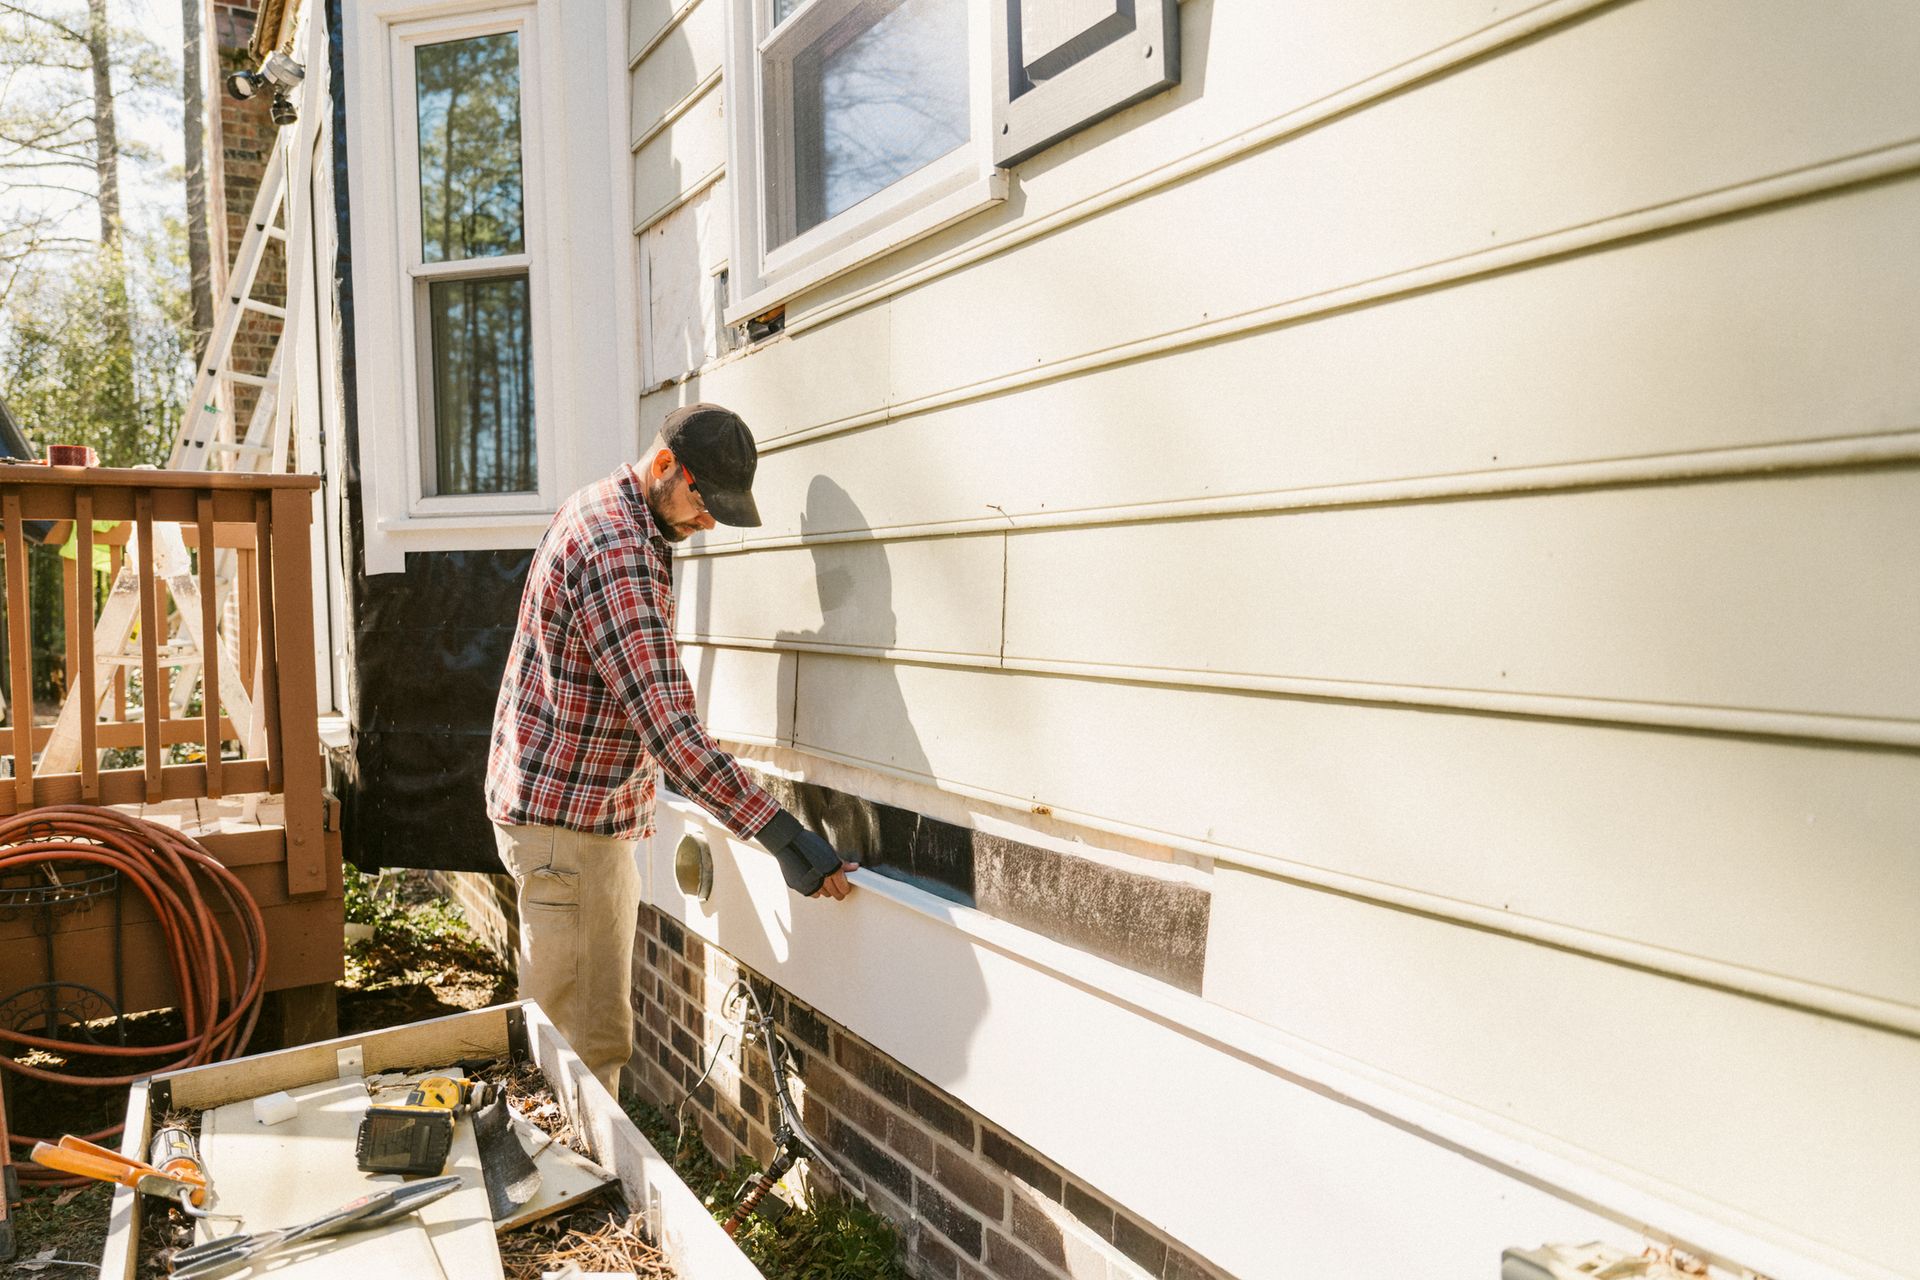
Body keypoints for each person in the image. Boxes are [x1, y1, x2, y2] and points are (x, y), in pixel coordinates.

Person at [485, 402, 855, 1093]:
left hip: (560, 817)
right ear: (663, 467)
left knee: (576, 1045)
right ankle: (570, 1192)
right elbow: (670, 730)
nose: (707, 521)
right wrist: (784, 838)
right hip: (568, 834)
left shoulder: (603, 510)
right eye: (701, 501)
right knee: (581, 1056)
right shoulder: (618, 551)